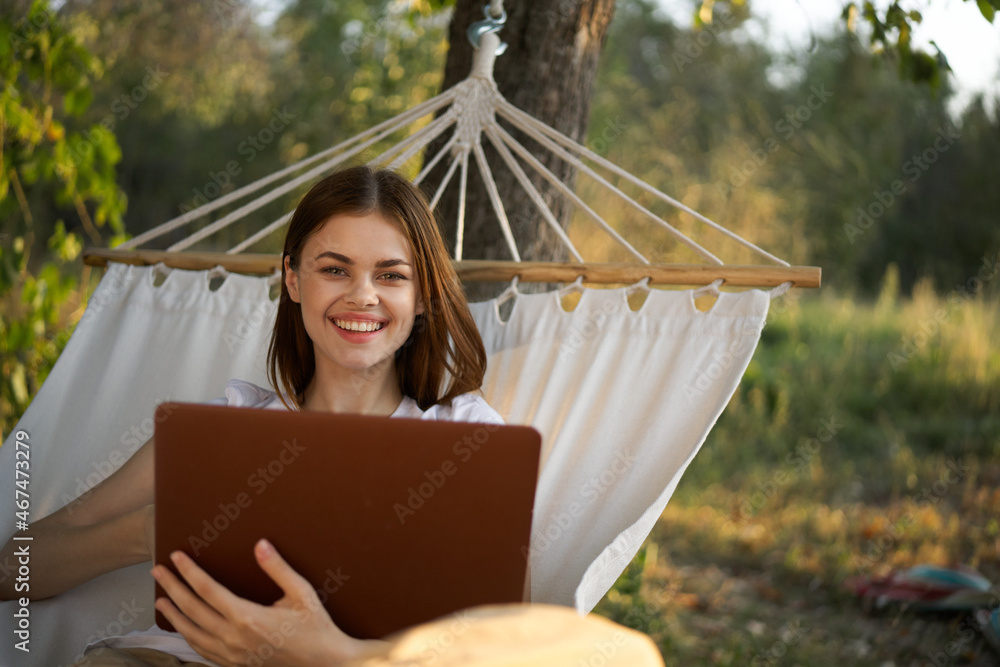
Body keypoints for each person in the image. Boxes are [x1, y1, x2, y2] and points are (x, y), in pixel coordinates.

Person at [0, 165, 504, 666]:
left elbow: (512, 637)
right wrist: (149, 533)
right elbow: (12, 571)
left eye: (391, 275)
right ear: (292, 279)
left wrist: (333, 655)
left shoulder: (465, 436)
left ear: (423, 297)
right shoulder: (220, 432)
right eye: (334, 269)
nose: (362, 295)